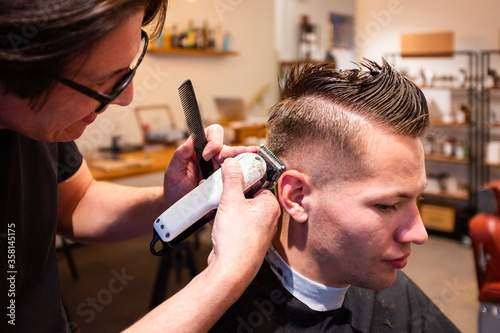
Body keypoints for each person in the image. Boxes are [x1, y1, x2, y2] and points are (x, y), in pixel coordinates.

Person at [0, 1, 280, 332]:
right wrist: (228, 271)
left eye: (130, 71)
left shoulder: (42, 126)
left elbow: (76, 202)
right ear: (19, 66)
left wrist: (178, 200)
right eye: (108, 83)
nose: (126, 97)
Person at [211, 60, 461, 332]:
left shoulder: (387, 284)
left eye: (417, 199)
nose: (419, 233)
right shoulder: (227, 318)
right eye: (387, 206)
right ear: (296, 197)